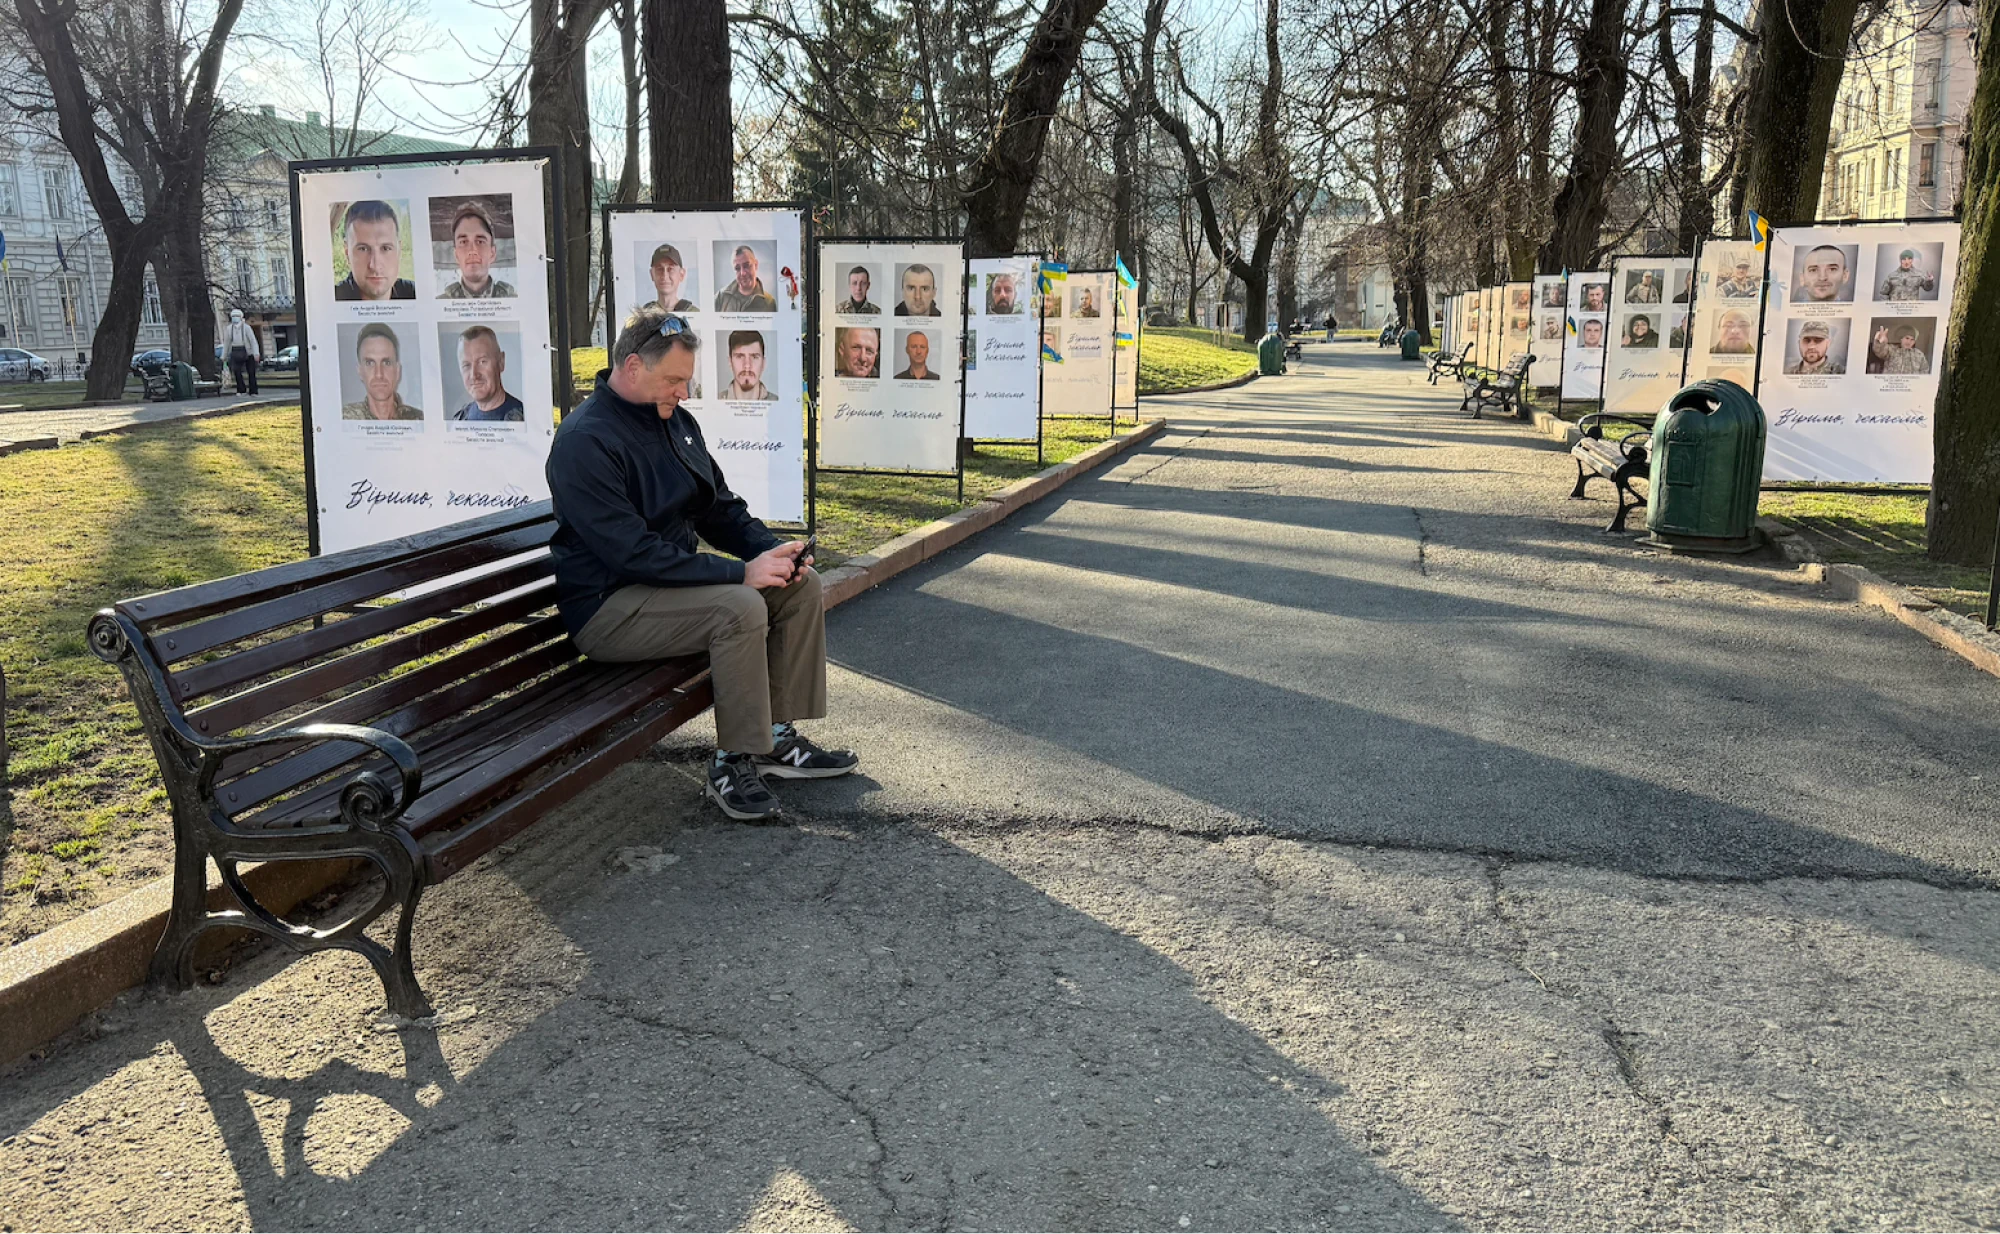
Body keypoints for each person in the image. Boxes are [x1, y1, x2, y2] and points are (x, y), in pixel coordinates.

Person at [546, 305, 856, 822]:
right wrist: (740, 573)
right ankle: (732, 763)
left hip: (664, 592)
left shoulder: (676, 422)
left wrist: (772, 552)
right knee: (738, 608)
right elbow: (631, 553)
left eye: (686, 382)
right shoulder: (585, 442)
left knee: (800, 586)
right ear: (631, 369)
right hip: (609, 608)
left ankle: (774, 739)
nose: (683, 393)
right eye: (674, 381)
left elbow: (717, 507)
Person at [332, 200, 415, 300]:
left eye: (386, 248)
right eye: (363, 249)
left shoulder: (418, 296)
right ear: (347, 253)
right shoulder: (329, 301)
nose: (375, 266)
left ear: (398, 251)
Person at [341, 324, 423, 420]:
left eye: (386, 363)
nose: (379, 374)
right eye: (370, 363)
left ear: (397, 370)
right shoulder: (344, 418)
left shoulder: (419, 419)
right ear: (360, 371)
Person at [440, 203, 515, 298]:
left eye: (480, 241)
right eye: (463, 242)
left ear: (492, 253)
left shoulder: (513, 301)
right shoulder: (440, 304)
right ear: (456, 255)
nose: (472, 250)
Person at [450, 326, 523, 421]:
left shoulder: (526, 420)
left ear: (501, 362)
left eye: (482, 362)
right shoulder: (458, 421)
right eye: (466, 365)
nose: (474, 375)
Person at [715, 245, 778, 312]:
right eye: (737, 268)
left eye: (746, 266)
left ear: (756, 265)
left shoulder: (769, 303)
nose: (743, 273)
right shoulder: (720, 297)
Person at [724, 330, 777, 400]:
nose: (747, 366)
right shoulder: (714, 401)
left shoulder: (779, 403)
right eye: (739, 356)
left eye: (754, 357)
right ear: (730, 362)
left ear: (763, 363)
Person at [648, 244, 697, 313]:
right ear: (652, 274)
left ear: (681, 274)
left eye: (670, 269)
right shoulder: (642, 315)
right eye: (659, 269)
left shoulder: (695, 314)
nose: (665, 276)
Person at [225, 308, 260, 394]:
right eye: (233, 316)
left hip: (248, 353)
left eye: (236, 316)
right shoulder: (229, 329)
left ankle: (253, 391)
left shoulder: (246, 328)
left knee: (251, 372)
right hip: (236, 352)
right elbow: (227, 342)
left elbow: (253, 341)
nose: (234, 318)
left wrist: (256, 353)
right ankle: (241, 389)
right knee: (236, 371)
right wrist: (224, 355)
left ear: (241, 317)